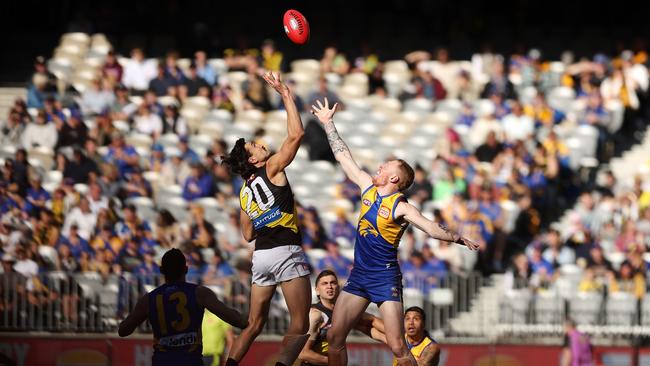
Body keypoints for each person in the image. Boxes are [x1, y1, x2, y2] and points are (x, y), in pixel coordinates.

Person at [310, 98, 478, 366]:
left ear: (395, 178)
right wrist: (329, 124)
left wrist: (457, 237)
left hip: (385, 277)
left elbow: (431, 228)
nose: (380, 166)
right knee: (335, 336)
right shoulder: (367, 187)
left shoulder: (401, 206)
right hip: (359, 276)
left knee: (399, 346)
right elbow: (343, 157)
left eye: (387, 165)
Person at [221, 72, 311, 366]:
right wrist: (285, 94)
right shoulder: (271, 168)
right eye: (254, 147)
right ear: (255, 161)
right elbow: (296, 135)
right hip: (286, 249)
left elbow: (247, 235)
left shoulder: (244, 192)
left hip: (261, 257)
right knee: (300, 323)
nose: (259, 144)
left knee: (253, 324)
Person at [118, 248, 248, 366]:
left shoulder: (149, 299)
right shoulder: (200, 293)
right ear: (186, 269)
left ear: (162, 270)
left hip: (162, 361)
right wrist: (250, 321)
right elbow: (236, 320)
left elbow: (123, 331)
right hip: (190, 361)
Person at [299, 270, 386, 366]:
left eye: (333, 283)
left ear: (338, 287)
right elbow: (303, 353)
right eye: (324, 284)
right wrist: (334, 362)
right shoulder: (316, 315)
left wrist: (393, 339)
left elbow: (371, 322)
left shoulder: (343, 312)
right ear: (317, 290)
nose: (329, 286)